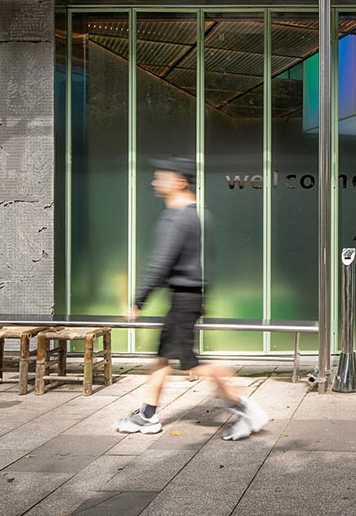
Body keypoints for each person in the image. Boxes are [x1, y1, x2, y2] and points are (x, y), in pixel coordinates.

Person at [115, 157, 268, 440]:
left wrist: (138, 300)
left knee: (193, 365)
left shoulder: (178, 218)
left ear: (180, 182)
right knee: (161, 356)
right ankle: (147, 414)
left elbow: (160, 264)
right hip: (187, 296)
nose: (155, 181)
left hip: (185, 298)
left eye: (161, 177)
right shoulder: (198, 214)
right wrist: (201, 295)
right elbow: (202, 261)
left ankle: (245, 409)